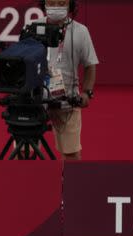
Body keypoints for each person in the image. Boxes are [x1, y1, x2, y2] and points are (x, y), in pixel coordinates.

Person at [40, 0, 98, 160]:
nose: (56, 7)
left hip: (68, 102)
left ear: (71, 5)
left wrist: (87, 92)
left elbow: (90, 65)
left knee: (71, 154)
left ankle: (72, 184)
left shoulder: (81, 31)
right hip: (35, 101)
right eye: (52, 3)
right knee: (24, 150)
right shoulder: (33, 27)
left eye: (61, 3)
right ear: (43, 4)